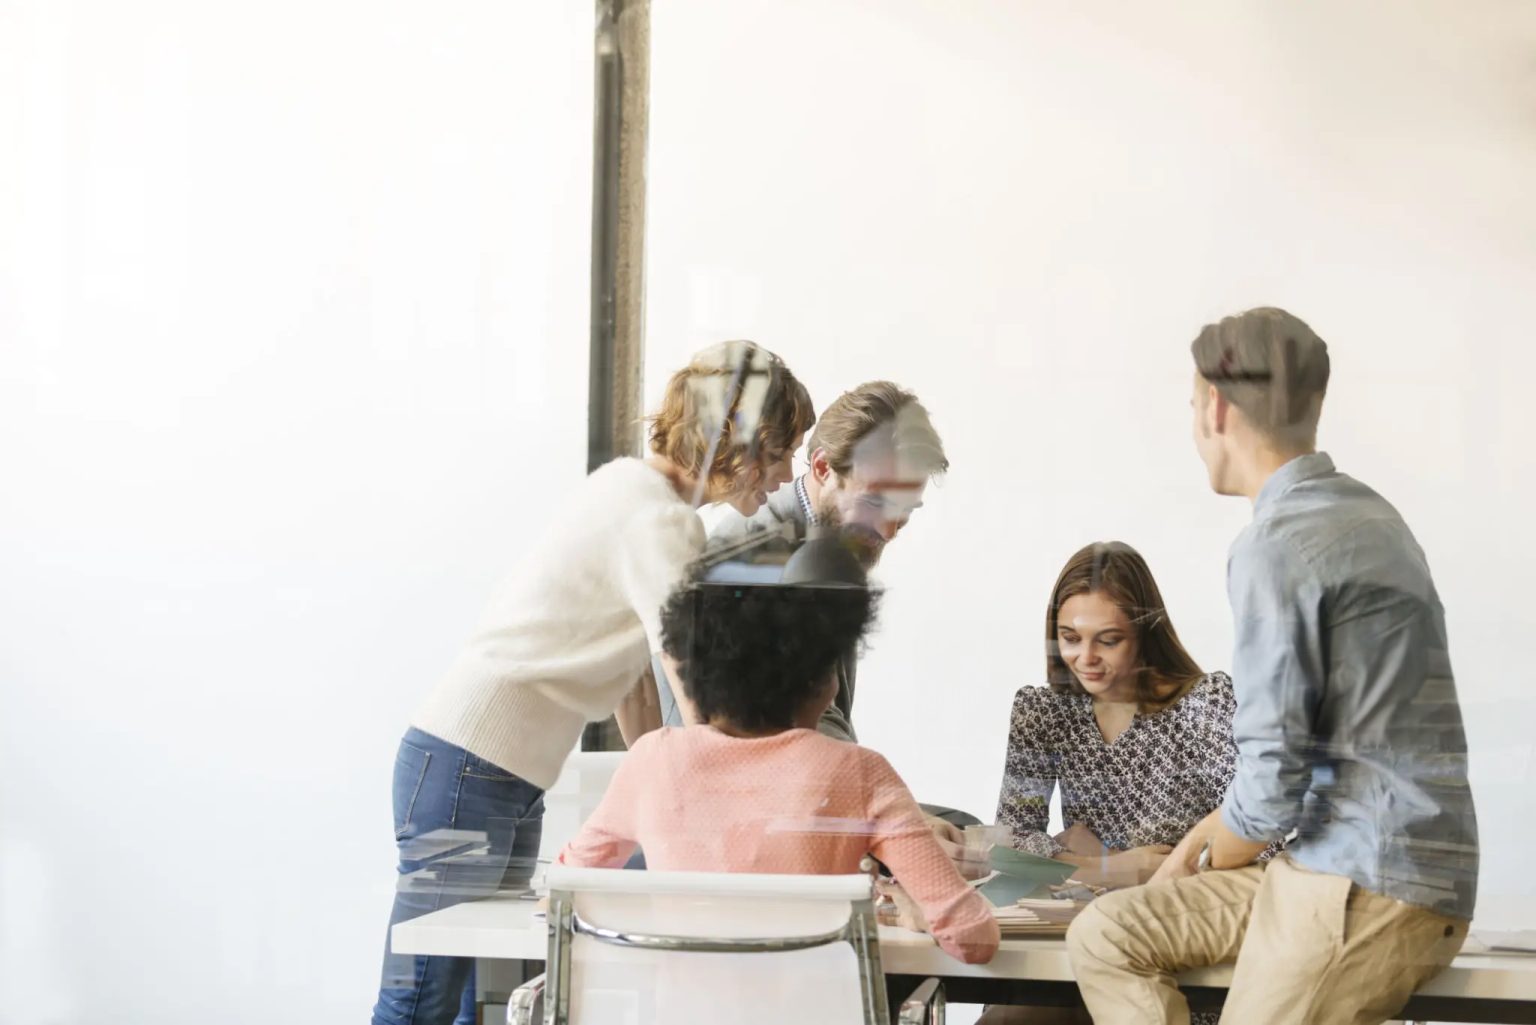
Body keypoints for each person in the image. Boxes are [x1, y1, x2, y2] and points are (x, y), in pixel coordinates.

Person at [371, 341, 816, 1025]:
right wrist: (734, 789)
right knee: (420, 1001)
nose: (786, 475)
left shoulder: (633, 491)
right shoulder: (659, 521)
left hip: (489, 774)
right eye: (783, 449)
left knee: (465, 1003)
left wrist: (661, 776)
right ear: (739, 440)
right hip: (468, 771)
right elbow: (695, 680)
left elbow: (637, 681)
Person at [1066, 307, 1479, 1025]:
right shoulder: (1372, 517)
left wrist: (1202, 852)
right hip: (1354, 865)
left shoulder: (1275, 543)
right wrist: (1201, 842)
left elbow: (1272, 782)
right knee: (1105, 932)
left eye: (1194, 406)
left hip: (1360, 882)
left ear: (1217, 407)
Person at [557, 566, 1000, 965]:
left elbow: (563, 890)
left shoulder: (651, 761)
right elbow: (974, 938)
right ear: (818, 685)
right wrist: (913, 912)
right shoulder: (859, 772)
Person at [981, 542, 1251, 1025]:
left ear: (1145, 634)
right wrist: (1109, 866)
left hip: (1179, 947)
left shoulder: (1204, 705)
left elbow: (1256, 839)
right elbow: (1007, 846)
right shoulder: (1043, 713)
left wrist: (1174, 862)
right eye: (1069, 638)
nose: (1085, 658)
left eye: (1108, 640)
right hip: (1075, 941)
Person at [655, 380, 948, 741]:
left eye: (906, 511)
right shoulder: (750, 559)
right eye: (875, 504)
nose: (889, 530)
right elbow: (778, 732)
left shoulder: (828, 548)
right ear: (824, 468)